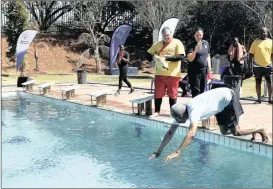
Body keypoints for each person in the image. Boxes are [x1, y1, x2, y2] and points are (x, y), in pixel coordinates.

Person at [149, 87, 268, 162]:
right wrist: (158, 151)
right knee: (224, 132)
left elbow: (191, 134)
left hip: (228, 98)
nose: (181, 123)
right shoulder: (180, 110)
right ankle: (256, 130)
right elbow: (170, 132)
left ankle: (261, 128)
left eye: (181, 121)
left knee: (236, 132)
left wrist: (178, 151)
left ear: (183, 115)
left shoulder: (193, 111)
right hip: (220, 103)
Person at [147, 27, 185, 117]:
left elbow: (181, 57)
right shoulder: (157, 44)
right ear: (162, 36)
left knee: (172, 94)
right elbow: (148, 53)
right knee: (158, 93)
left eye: (168, 35)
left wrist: (166, 58)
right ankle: (157, 111)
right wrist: (153, 60)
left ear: (171, 34)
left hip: (173, 74)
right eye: (164, 35)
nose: (166, 37)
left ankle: (173, 113)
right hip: (160, 74)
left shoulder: (177, 43)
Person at [249, 27, 273, 104]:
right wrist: (250, 66)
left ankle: (270, 99)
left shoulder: (271, 42)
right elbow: (250, 55)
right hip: (257, 66)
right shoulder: (255, 42)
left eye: (264, 32)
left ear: (267, 33)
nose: (262, 33)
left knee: (269, 83)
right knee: (258, 82)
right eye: (261, 32)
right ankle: (259, 99)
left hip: (268, 66)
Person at [187, 28, 212, 98]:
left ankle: (201, 107)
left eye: (200, 35)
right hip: (194, 71)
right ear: (194, 35)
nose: (198, 37)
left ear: (202, 35)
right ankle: (195, 107)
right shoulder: (191, 45)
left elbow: (208, 55)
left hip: (203, 70)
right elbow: (189, 59)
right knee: (196, 91)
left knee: (202, 90)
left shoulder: (205, 43)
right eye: (197, 35)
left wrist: (209, 67)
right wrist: (195, 50)